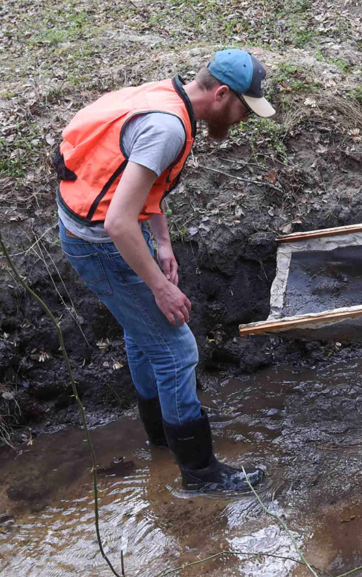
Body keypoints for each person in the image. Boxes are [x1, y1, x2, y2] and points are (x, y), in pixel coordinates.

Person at [54, 49, 276, 495]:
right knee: (177, 350)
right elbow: (118, 221)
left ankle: (160, 438)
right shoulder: (168, 128)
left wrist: (164, 242)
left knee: (145, 337)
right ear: (221, 93)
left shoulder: (167, 97)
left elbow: (142, 184)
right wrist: (160, 287)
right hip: (101, 245)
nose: (243, 120)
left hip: (93, 231)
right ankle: (199, 473)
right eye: (243, 110)